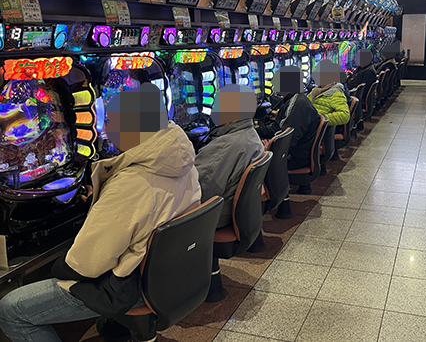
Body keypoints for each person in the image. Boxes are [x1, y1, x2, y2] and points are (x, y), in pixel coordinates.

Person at [0, 83, 202, 342]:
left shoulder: (133, 183)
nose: (103, 130)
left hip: (125, 287)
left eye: (110, 121)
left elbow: (86, 264)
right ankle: (114, 327)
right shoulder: (180, 159)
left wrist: (57, 267)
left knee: (11, 309)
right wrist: (101, 200)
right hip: (165, 274)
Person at [194, 84, 265, 228]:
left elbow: (197, 192)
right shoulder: (250, 134)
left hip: (214, 217)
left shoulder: (225, 147)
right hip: (234, 213)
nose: (212, 110)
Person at [256, 65, 320, 193]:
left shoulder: (297, 103)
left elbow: (285, 136)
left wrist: (261, 138)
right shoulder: (297, 99)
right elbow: (283, 127)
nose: (273, 84)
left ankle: (265, 197)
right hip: (301, 152)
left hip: (294, 157)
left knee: (250, 156)